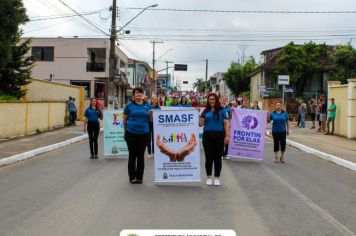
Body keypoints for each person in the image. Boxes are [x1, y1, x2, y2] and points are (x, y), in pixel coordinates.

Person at [199, 93, 230, 186]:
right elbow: (200, 124)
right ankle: (209, 177)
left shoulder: (222, 110)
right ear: (208, 101)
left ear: (216, 100)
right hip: (207, 136)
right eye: (210, 99)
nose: (211, 101)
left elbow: (226, 123)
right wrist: (199, 118)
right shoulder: (205, 111)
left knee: (217, 158)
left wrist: (227, 136)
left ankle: (217, 178)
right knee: (208, 158)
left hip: (219, 136)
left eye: (213, 99)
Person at [123, 87, 151, 184]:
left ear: (142, 95)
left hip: (144, 134)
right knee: (132, 155)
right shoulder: (129, 106)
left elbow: (151, 120)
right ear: (134, 95)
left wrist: (151, 114)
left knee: (140, 156)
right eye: (137, 93)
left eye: (140, 93)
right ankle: (132, 177)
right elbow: (124, 120)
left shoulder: (147, 105)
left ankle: (139, 178)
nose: (138, 95)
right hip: (131, 134)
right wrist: (125, 131)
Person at [220, 96, 231, 160]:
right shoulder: (218, 107)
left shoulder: (229, 108)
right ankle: (221, 153)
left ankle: (226, 154)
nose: (224, 100)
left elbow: (231, 116)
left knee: (227, 140)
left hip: (227, 126)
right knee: (221, 140)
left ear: (227, 100)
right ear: (221, 100)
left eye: (225, 99)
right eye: (223, 99)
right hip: (220, 125)